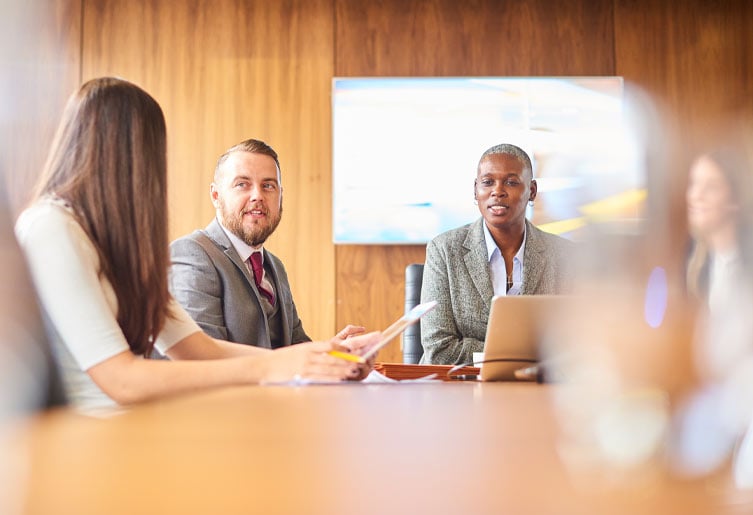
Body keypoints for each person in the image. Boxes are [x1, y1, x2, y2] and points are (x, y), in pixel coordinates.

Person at [14, 77, 377, 415]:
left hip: (139, 431)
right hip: (95, 443)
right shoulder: (51, 227)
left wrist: (326, 356)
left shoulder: (119, 246)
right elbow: (121, 380)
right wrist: (275, 364)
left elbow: (200, 350)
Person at [169, 139, 359, 349]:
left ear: (280, 196)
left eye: (268, 186)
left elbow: (296, 350)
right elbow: (206, 359)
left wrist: (334, 354)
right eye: (242, 184)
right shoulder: (191, 254)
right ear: (216, 196)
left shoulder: (275, 266)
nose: (258, 196)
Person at [420, 143, 575, 365]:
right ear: (476, 190)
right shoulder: (444, 250)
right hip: (456, 387)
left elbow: (573, 344)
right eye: (487, 182)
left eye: (511, 182)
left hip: (534, 388)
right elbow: (439, 349)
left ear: (531, 191)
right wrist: (524, 355)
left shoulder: (564, 256)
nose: (498, 191)